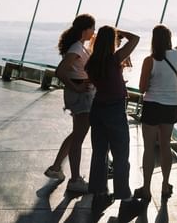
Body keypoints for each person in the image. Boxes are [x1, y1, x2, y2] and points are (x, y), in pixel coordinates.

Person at [135, 24, 177, 201]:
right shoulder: (176, 54)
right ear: (169, 39)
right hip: (170, 107)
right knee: (165, 146)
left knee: (148, 148)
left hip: (152, 106)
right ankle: (165, 185)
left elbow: (141, 88)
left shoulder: (150, 60)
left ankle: (146, 189)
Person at [85, 26, 140, 211]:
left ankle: (99, 195)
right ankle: (125, 197)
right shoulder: (114, 59)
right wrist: (122, 32)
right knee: (121, 154)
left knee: (99, 154)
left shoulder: (91, 63)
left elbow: (102, 82)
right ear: (111, 41)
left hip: (98, 109)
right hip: (114, 110)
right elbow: (135, 39)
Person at [44, 14, 96, 194]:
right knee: (79, 138)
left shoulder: (79, 46)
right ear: (86, 29)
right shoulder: (76, 47)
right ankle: (74, 180)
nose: (94, 32)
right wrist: (77, 87)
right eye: (92, 28)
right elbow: (60, 71)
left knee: (76, 134)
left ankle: (56, 168)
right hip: (81, 97)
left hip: (80, 94)